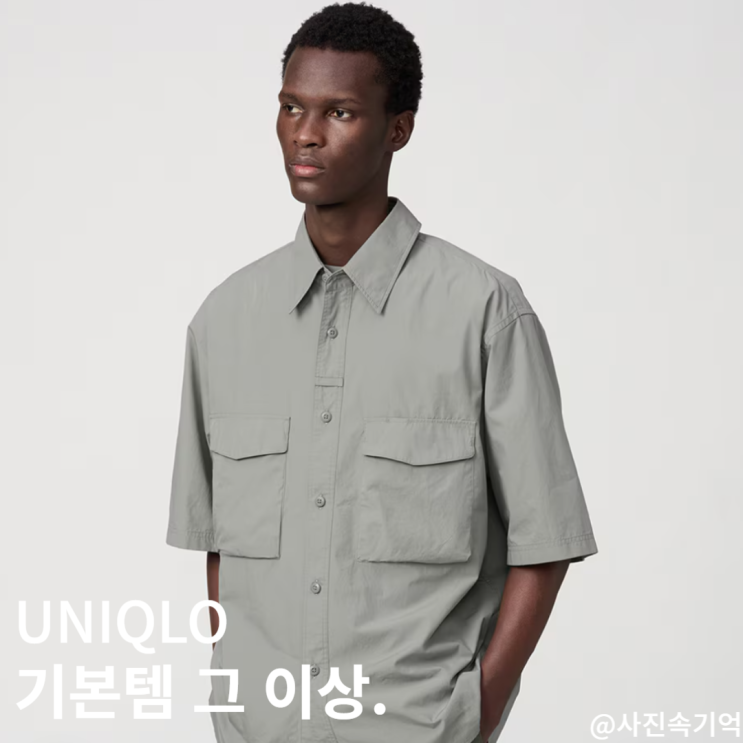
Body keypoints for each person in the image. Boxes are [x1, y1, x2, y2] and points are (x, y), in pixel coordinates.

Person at [165, 3, 599, 742]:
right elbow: (218, 547)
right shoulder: (224, 320)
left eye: (339, 112)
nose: (305, 133)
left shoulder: (484, 312)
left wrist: (475, 713)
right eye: (291, 107)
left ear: (398, 129)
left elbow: (546, 542)